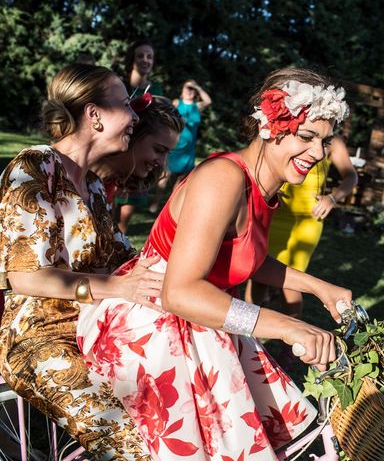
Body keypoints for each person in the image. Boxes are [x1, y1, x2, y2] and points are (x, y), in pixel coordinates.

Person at [77, 68, 353, 460]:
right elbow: (180, 291)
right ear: (270, 126)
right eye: (306, 137)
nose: (319, 154)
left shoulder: (264, 184)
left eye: (325, 142)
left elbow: (246, 257)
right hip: (153, 319)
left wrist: (319, 287)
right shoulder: (223, 178)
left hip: (205, 318)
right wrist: (290, 326)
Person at [0, 63, 163, 460]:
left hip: (96, 329)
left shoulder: (91, 184)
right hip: (38, 338)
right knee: (134, 447)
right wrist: (116, 286)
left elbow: (125, 255)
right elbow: (24, 275)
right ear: (94, 115)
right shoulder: (34, 167)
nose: (135, 117)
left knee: (171, 416)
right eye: (126, 105)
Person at [248, 134, 358, 319]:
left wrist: (332, 198)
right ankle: (244, 332)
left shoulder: (334, 141)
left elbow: (351, 176)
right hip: (276, 214)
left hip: (309, 219)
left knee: (292, 280)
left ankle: (292, 342)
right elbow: (258, 162)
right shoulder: (288, 132)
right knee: (258, 271)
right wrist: (266, 190)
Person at [91, 98, 184, 207]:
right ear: (132, 134)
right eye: (158, 150)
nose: (162, 162)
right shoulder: (76, 178)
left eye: (167, 153)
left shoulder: (110, 184)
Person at [115, 40, 164, 233]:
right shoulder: (117, 84)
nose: (145, 60)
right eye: (141, 55)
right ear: (131, 59)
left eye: (149, 56)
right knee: (102, 212)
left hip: (137, 159)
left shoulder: (157, 90)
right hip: (112, 155)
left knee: (122, 222)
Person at [149, 80, 212, 213]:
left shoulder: (197, 106)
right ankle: (155, 203)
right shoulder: (177, 103)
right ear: (182, 91)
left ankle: (170, 206)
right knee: (164, 177)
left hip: (188, 150)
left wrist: (197, 86)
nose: (189, 91)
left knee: (180, 180)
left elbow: (208, 101)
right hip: (174, 147)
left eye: (192, 89)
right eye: (187, 88)